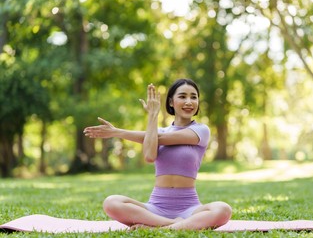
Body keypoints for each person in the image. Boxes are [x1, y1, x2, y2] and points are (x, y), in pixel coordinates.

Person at [83, 78, 232, 230]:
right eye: (182, 96)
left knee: (223, 210)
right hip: (155, 209)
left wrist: (117, 132)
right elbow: (149, 156)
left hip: (189, 209)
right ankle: (174, 225)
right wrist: (153, 115)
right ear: (171, 102)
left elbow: (159, 138)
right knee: (111, 202)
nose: (189, 101)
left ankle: (156, 227)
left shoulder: (201, 130)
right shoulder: (157, 132)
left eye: (193, 97)